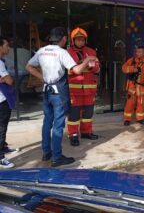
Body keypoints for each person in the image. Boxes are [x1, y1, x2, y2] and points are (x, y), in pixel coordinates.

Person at [26, 27, 96, 167]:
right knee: (58, 126)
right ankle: (57, 158)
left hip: (47, 90)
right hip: (58, 93)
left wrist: (43, 78)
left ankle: (46, 153)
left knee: (47, 123)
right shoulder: (62, 52)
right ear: (63, 39)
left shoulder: (42, 51)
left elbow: (28, 66)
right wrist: (87, 59)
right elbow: (76, 70)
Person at [66, 27, 100, 146]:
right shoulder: (67, 53)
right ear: (73, 40)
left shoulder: (91, 51)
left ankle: (86, 132)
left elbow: (97, 68)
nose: (80, 42)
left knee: (88, 114)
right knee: (74, 115)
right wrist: (85, 65)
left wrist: (86, 67)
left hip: (89, 90)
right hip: (74, 91)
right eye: (78, 40)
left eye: (82, 40)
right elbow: (71, 71)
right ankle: (73, 135)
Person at [122, 45, 144, 125]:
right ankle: (127, 119)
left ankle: (140, 119)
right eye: (137, 51)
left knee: (141, 104)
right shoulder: (132, 60)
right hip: (132, 87)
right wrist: (133, 69)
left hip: (143, 87)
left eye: (140, 52)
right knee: (129, 104)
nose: (137, 53)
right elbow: (123, 68)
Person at [0, 36, 16, 168]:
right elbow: (9, 80)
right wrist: (5, 78)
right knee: (1, 127)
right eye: (6, 45)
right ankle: (0, 157)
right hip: (1, 99)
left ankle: (3, 146)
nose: (8, 47)